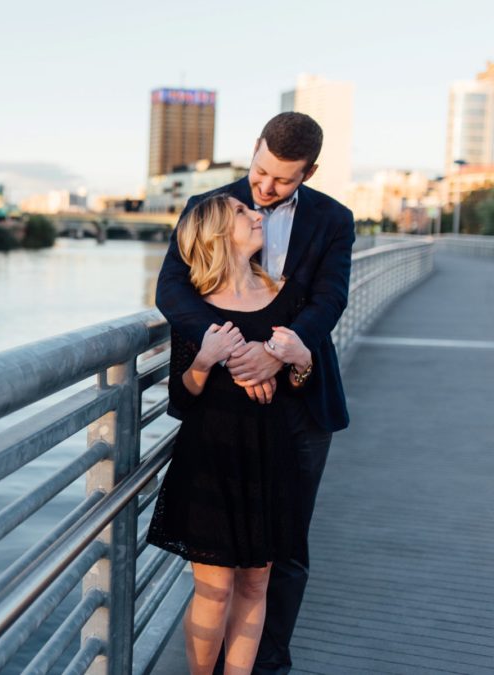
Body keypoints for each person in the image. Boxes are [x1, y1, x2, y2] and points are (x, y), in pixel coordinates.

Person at [155, 112, 355, 674]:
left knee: (284, 552)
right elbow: (171, 289)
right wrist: (242, 353)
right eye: (262, 171)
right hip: (223, 412)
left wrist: (276, 352)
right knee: (220, 571)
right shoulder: (212, 207)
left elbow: (328, 300)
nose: (266, 189)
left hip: (301, 402)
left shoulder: (334, 219)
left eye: (283, 180)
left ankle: (267, 667)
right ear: (255, 148)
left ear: (308, 172)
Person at [147, 193, 312, 674]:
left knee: (257, 583)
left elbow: (302, 386)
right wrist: (204, 358)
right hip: (212, 459)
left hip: (268, 455)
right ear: (218, 234)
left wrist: (300, 358)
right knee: (214, 589)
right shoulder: (194, 309)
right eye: (241, 213)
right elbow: (182, 398)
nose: (256, 215)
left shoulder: (286, 294)